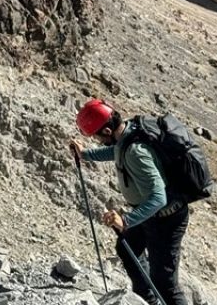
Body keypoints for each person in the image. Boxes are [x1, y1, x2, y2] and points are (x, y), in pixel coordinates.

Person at [68, 99, 190, 305]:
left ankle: (154, 297)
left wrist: (126, 221)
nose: (98, 141)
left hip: (166, 220)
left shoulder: (136, 152)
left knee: (165, 284)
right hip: (150, 215)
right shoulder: (128, 133)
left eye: (97, 137)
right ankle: (146, 300)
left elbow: (159, 197)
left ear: (107, 131)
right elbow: (115, 152)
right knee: (128, 248)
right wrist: (86, 155)